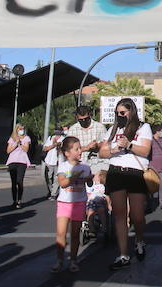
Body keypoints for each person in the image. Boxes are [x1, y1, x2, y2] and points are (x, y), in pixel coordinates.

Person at [99, 97, 153, 268]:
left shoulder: (143, 127)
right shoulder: (112, 129)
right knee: (119, 215)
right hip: (116, 172)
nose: (120, 115)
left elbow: (145, 150)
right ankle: (123, 254)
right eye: (117, 113)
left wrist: (129, 145)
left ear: (131, 111)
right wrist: (114, 149)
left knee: (137, 215)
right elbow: (102, 152)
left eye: (123, 112)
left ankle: (139, 240)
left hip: (135, 174)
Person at [52, 136, 92, 273]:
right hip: (64, 203)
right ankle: (59, 260)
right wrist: (75, 176)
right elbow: (63, 183)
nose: (80, 151)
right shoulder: (63, 166)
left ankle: (73, 260)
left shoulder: (86, 167)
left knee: (75, 234)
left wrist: (91, 178)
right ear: (67, 153)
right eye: (76, 149)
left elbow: (90, 183)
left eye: (80, 148)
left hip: (79, 202)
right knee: (61, 233)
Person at [66, 104, 108, 176]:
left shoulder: (100, 127)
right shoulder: (72, 130)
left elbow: (106, 146)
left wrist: (97, 146)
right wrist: (87, 148)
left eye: (86, 119)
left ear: (90, 116)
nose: (83, 121)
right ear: (77, 118)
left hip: (97, 165)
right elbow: (69, 150)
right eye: (81, 120)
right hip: (79, 165)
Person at [6, 124, 32, 208]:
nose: (22, 130)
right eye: (20, 129)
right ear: (16, 130)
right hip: (12, 161)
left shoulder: (26, 138)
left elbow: (26, 149)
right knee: (14, 182)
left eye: (23, 129)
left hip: (22, 161)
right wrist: (15, 143)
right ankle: (14, 201)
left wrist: (20, 143)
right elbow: (8, 151)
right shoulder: (12, 139)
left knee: (19, 181)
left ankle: (19, 200)